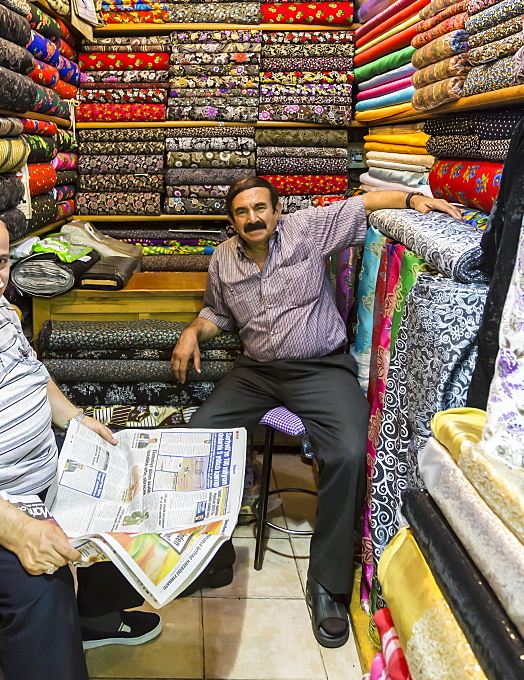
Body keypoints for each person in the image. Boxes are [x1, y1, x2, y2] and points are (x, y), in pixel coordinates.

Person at [171, 179, 461, 648]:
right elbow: (217, 313)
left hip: (319, 368)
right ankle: (211, 556)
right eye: (243, 212)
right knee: (199, 434)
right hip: (257, 371)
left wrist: (411, 200)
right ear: (233, 220)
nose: (253, 218)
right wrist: (192, 331)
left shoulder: (306, 229)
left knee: (347, 451)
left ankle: (327, 585)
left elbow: (364, 202)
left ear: (276, 209)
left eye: (261, 208)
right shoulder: (223, 257)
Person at [0, 208, 161, 680]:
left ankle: (96, 617)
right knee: (42, 585)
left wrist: (78, 421)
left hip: (41, 469)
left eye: (1, 262)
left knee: (130, 493)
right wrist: (21, 533)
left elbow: (35, 377)